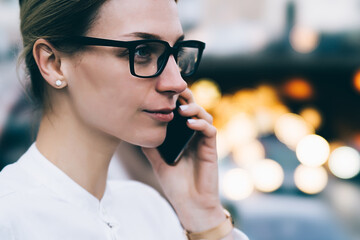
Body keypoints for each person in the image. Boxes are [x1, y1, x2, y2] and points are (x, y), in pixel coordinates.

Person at [0, 0, 249, 239]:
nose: (177, 82)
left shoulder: (152, 211)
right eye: (142, 52)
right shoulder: (9, 217)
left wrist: (204, 215)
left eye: (176, 53)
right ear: (53, 63)